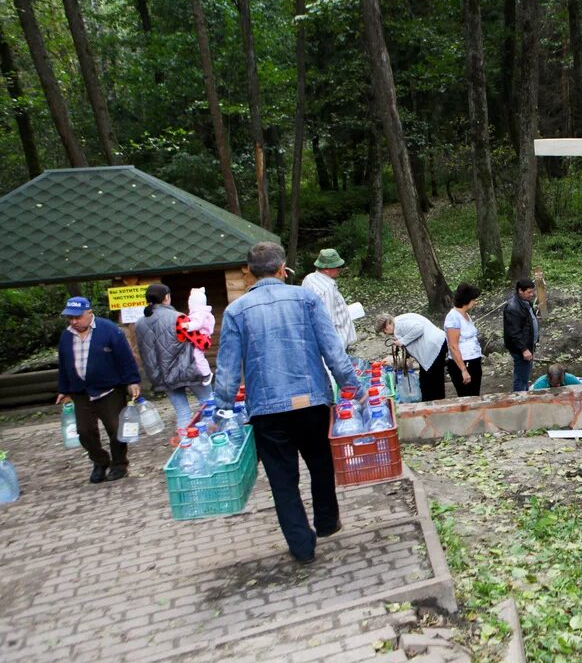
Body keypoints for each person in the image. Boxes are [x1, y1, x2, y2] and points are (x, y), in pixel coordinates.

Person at [215, 241, 360, 564]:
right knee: (321, 463)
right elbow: (333, 351)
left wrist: (221, 407)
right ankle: (326, 521)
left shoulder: (236, 311)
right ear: (282, 269)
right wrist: (354, 387)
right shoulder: (305, 298)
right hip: (311, 402)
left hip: (267, 410)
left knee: (282, 481)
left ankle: (301, 545)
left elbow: (226, 370)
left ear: (250, 274)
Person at [55, 296, 141, 483]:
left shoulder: (108, 329)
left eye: (77, 317)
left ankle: (119, 465)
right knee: (84, 431)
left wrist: (132, 381)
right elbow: (64, 363)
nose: (74, 321)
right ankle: (100, 461)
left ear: (89, 313)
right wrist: (64, 389)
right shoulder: (66, 335)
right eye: (70, 318)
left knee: (115, 428)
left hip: (109, 389)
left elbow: (125, 357)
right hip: (80, 391)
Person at [134, 283, 213, 428]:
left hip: (164, 376)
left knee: (182, 413)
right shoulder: (178, 318)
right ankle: (212, 439)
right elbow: (201, 342)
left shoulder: (139, 323)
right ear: (167, 297)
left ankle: (187, 445)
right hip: (189, 370)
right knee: (208, 405)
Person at [373, 312, 448, 402]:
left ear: (387, 326)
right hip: (432, 348)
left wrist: (402, 341)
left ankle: (436, 402)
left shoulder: (400, 323)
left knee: (434, 378)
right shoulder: (399, 323)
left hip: (434, 347)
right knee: (427, 379)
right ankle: (429, 400)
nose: (386, 334)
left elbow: (419, 328)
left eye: (384, 331)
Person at [301, 248, 357, 353]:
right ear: (327, 268)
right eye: (337, 267)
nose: (339, 270)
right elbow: (327, 321)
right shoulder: (327, 289)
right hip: (336, 342)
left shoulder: (309, 278)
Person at [444, 282, 483, 397]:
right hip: (464, 363)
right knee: (467, 396)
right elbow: (453, 346)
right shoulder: (453, 317)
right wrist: (463, 370)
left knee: (475, 395)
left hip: (473, 360)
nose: (475, 302)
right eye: (473, 300)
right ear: (467, 300)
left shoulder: (465, 315)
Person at [502, 278, 539, 392]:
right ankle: (519, 399)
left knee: (525, 376)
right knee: (521, 377)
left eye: (532, 291)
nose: (532, 294)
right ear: (520, 291)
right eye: (529, 292)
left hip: (528, 345)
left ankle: (524, 394)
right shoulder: (513, 308)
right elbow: (514, 332)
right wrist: (524, 349)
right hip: (521, 349)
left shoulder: (526, 302)